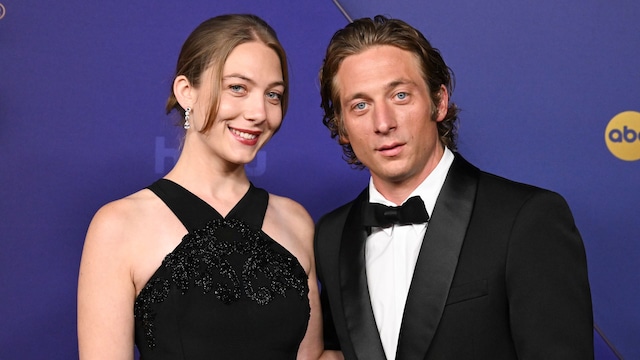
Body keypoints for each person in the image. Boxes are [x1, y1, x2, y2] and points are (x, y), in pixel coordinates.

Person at [314, 15, 593, 360]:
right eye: (360, 105)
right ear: (341, 127)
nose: (383, 123)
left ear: (439, 102)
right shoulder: (331, 235)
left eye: (400, 95)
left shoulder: (528, 219)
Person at [78, 14, 323, 359]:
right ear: (185, 92)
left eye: (273, 94)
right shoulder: (118, 226)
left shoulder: (296, 221)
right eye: (237, 87)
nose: (258, 112)